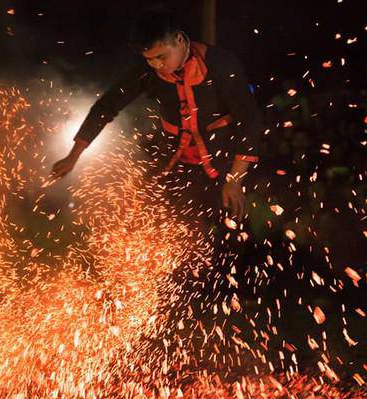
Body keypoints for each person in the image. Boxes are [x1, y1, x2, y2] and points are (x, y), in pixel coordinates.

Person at [51, 7, 263, 233]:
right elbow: (107, 106)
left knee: (230, 230)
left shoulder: (220, 65)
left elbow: (249, 120)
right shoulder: (147, 72)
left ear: (179, 39)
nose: (157, 65)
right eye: (150, 59)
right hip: (175, 165)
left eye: (162, 57)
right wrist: (73, 156)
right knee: (162, 225)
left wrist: (235, 179)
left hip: (226, 164)